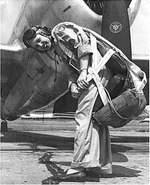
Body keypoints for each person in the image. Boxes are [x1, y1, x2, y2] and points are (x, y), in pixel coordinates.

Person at [22, 22, 113, 180]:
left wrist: (84, 72)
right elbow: (70, 71)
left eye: (40, 40)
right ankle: (100, 165)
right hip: (94, 73)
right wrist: (72, 85)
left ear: (44, 32)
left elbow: (83, 45)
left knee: (82, 118)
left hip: (95, 71)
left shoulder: (60, 30)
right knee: (95, 120)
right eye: (37, 45)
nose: (41, 45)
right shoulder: (54, 52)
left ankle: (79, 166)